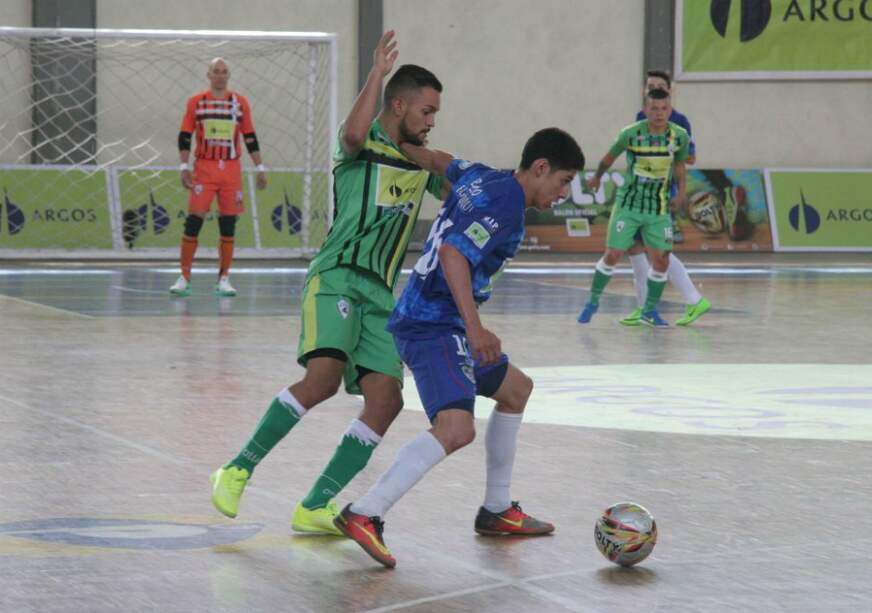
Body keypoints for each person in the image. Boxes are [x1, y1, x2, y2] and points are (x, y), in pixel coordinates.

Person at [209, 31, 447, 536]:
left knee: (387, 400)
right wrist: (375, 74)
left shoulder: (421, 161)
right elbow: (355, 135)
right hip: (337, 276)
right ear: (399, 104)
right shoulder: (362, 145)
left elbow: (460, 188)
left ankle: (315, 504)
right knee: (322, 378)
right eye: (426, 111)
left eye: (435, 115)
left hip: (383, 294)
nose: (431, 122)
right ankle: (237, 468)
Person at [333, 128, 585, 569]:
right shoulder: (507, 204)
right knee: (456, 429)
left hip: (434, 321)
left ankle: (496, 510)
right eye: (563, 181)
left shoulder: (483, 176)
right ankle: (366, 512)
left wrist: (400, 144)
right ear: (541, 168)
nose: (564, 192)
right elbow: (453, 253)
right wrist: (476, 329)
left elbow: (439, 160)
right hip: (435, 325)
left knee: (516, 390)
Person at [578, 70, 710, 326]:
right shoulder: (638, 122)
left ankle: (689, 299)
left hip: (662, 197)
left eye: (661, 88)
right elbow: (623, 152)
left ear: (670, 96)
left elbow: (687, 159)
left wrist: (677, 185)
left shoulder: (679, 124)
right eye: (651, 87)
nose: (658, 109)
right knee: (634, 250)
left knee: (657, 254)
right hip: (634, 199)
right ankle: (645, 307)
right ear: (645, 95)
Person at [170, 57, 268, 298]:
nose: (221, 75)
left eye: (225, 71)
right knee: (194, 222)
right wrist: (184, 165)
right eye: (216, 71)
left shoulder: (240, 103)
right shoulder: (196, 103)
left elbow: (250, 136)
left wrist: (260, 167)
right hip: (204, 168)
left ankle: (224, 278)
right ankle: (184, 276)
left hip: (231, 171)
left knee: (228, 225)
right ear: (208, 74)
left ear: (228, 75)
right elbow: (185, 135)